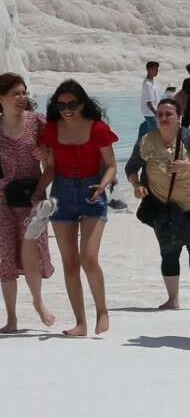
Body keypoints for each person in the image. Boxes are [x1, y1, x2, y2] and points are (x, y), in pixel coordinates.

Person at [37, 79, 118, 336]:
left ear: (82, 104)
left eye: (72, 103)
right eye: (61, 104)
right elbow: (50, 167)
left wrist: (103, 186)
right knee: (70, 262)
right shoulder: (51, 130)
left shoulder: (98, 128)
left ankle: (102, 310)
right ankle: (80, 323)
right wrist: (39, 189)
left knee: (89, 258)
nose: (66, 108)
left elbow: (112, 165)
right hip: (61, 192)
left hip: (92, 190)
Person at [126, 98, 190, 310]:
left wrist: (187, 165)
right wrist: (136, 185)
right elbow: (131, 167)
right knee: (168, 252)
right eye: (160, 114)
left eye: (168, 114)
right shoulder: (146, 141)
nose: (163, 118)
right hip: (162, 206)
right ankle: (172, 298)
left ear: (179, 117)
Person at [0, 73, 55, 333]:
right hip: (1, 201)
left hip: (33, 198)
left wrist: (44, 155)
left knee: (31, 252)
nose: (22, 98)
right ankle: (11, 318)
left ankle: (38, 301)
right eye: (16, 94)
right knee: (6, 257)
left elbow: (51, 166)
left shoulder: (37, 123)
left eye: (24, 92)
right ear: (1, 99)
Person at [139, 61, 159, 140]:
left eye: (157, 70)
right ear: (149, 70)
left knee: (149, 135)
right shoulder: (147, 84)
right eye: (155, 69)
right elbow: (149, 102)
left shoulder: (150, 82)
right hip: (151, 114)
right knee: (155, 136)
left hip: (150, 114)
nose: (157, 72)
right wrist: (156, 114)